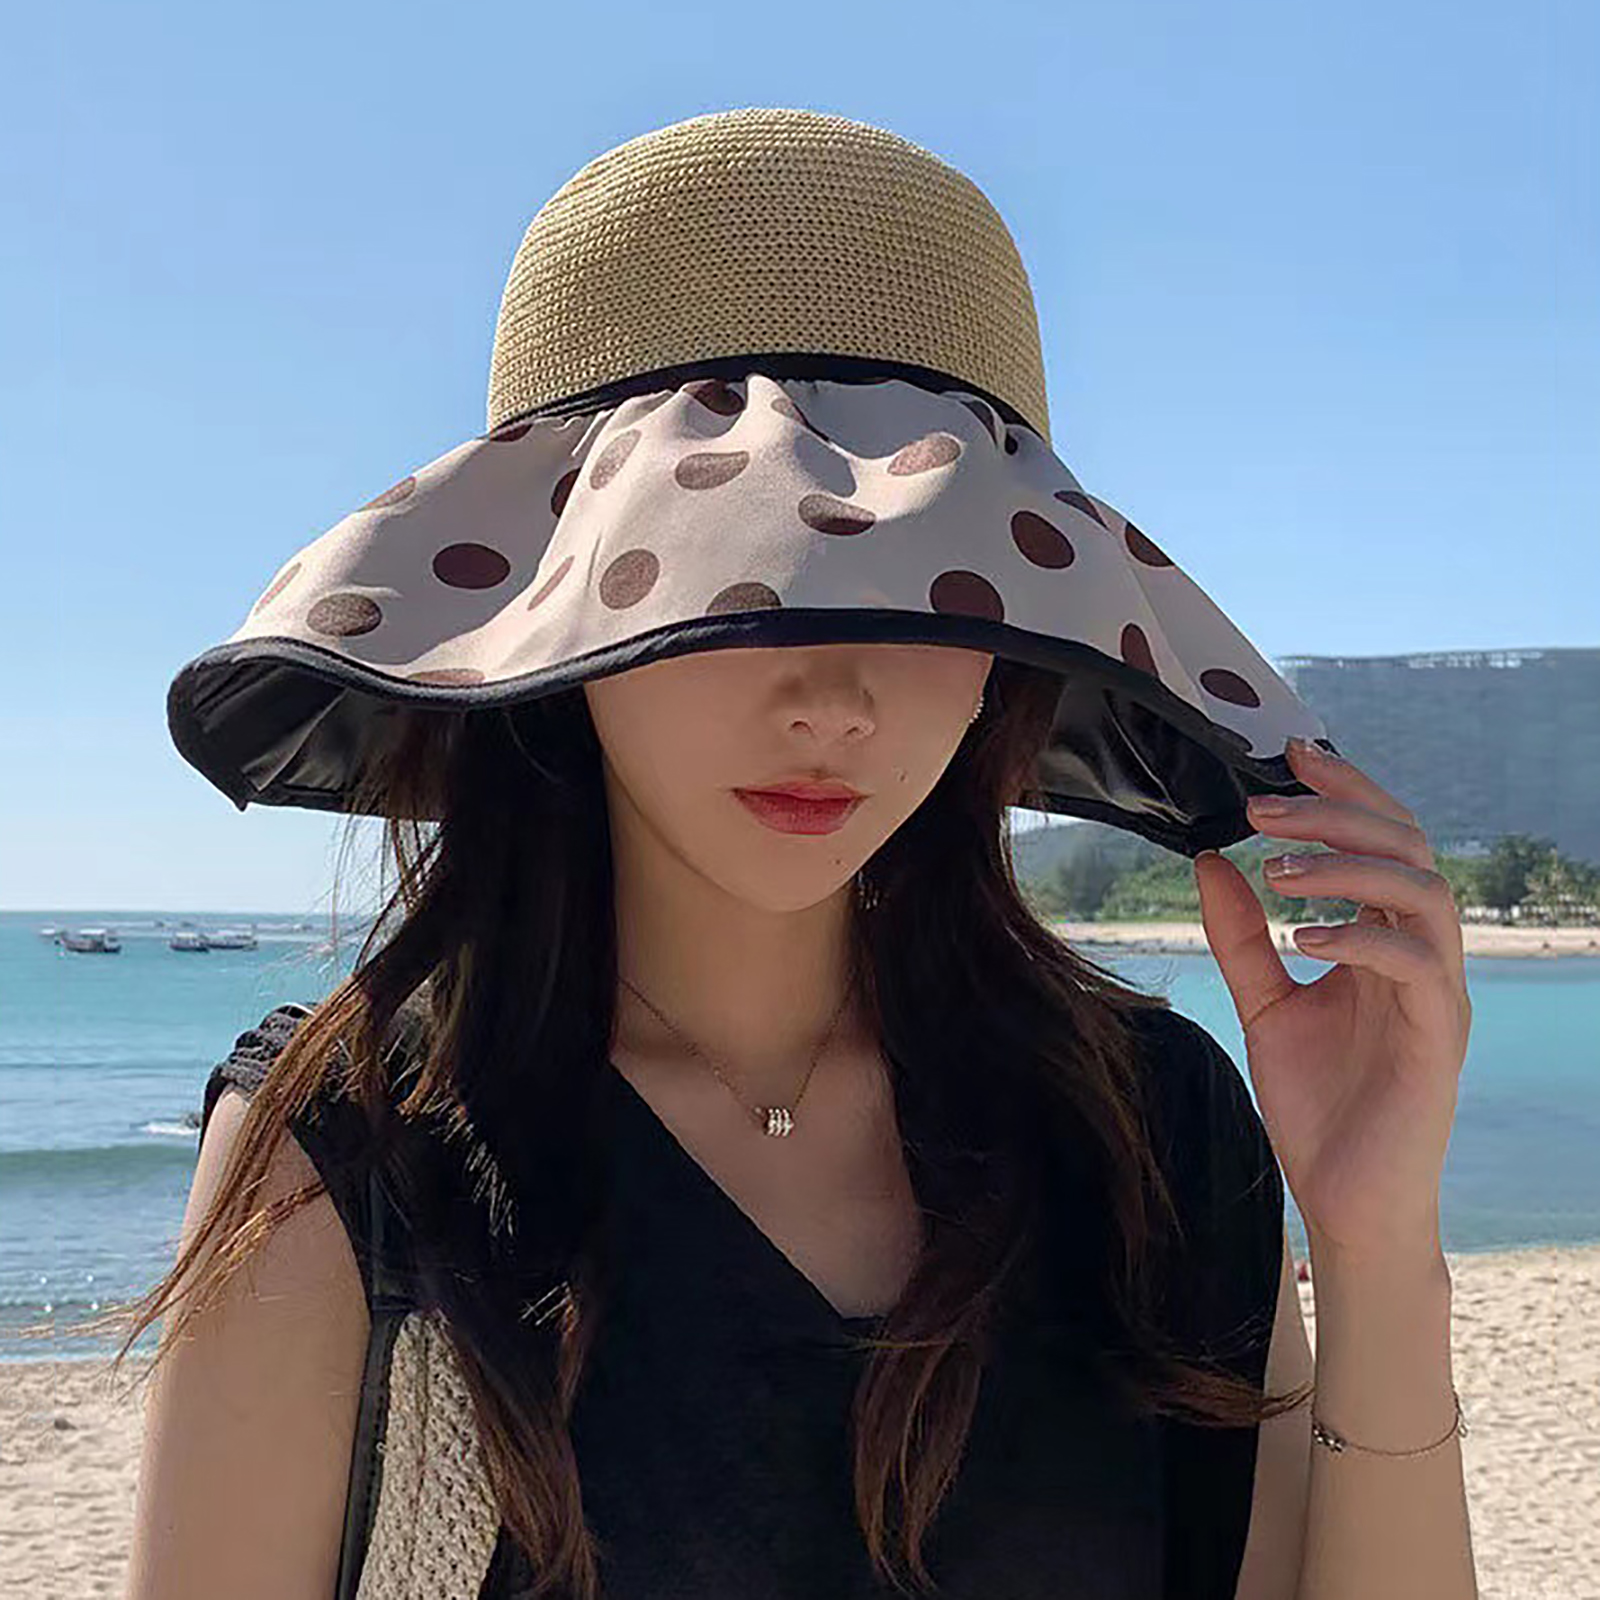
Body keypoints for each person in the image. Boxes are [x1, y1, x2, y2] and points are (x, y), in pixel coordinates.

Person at [118, 107, 1341, 1600]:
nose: (831, 699)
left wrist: (1379, 1251)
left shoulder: (1154, 1127)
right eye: (734, 583)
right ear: (568, 611)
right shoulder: (357, 1156)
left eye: (923, 594)